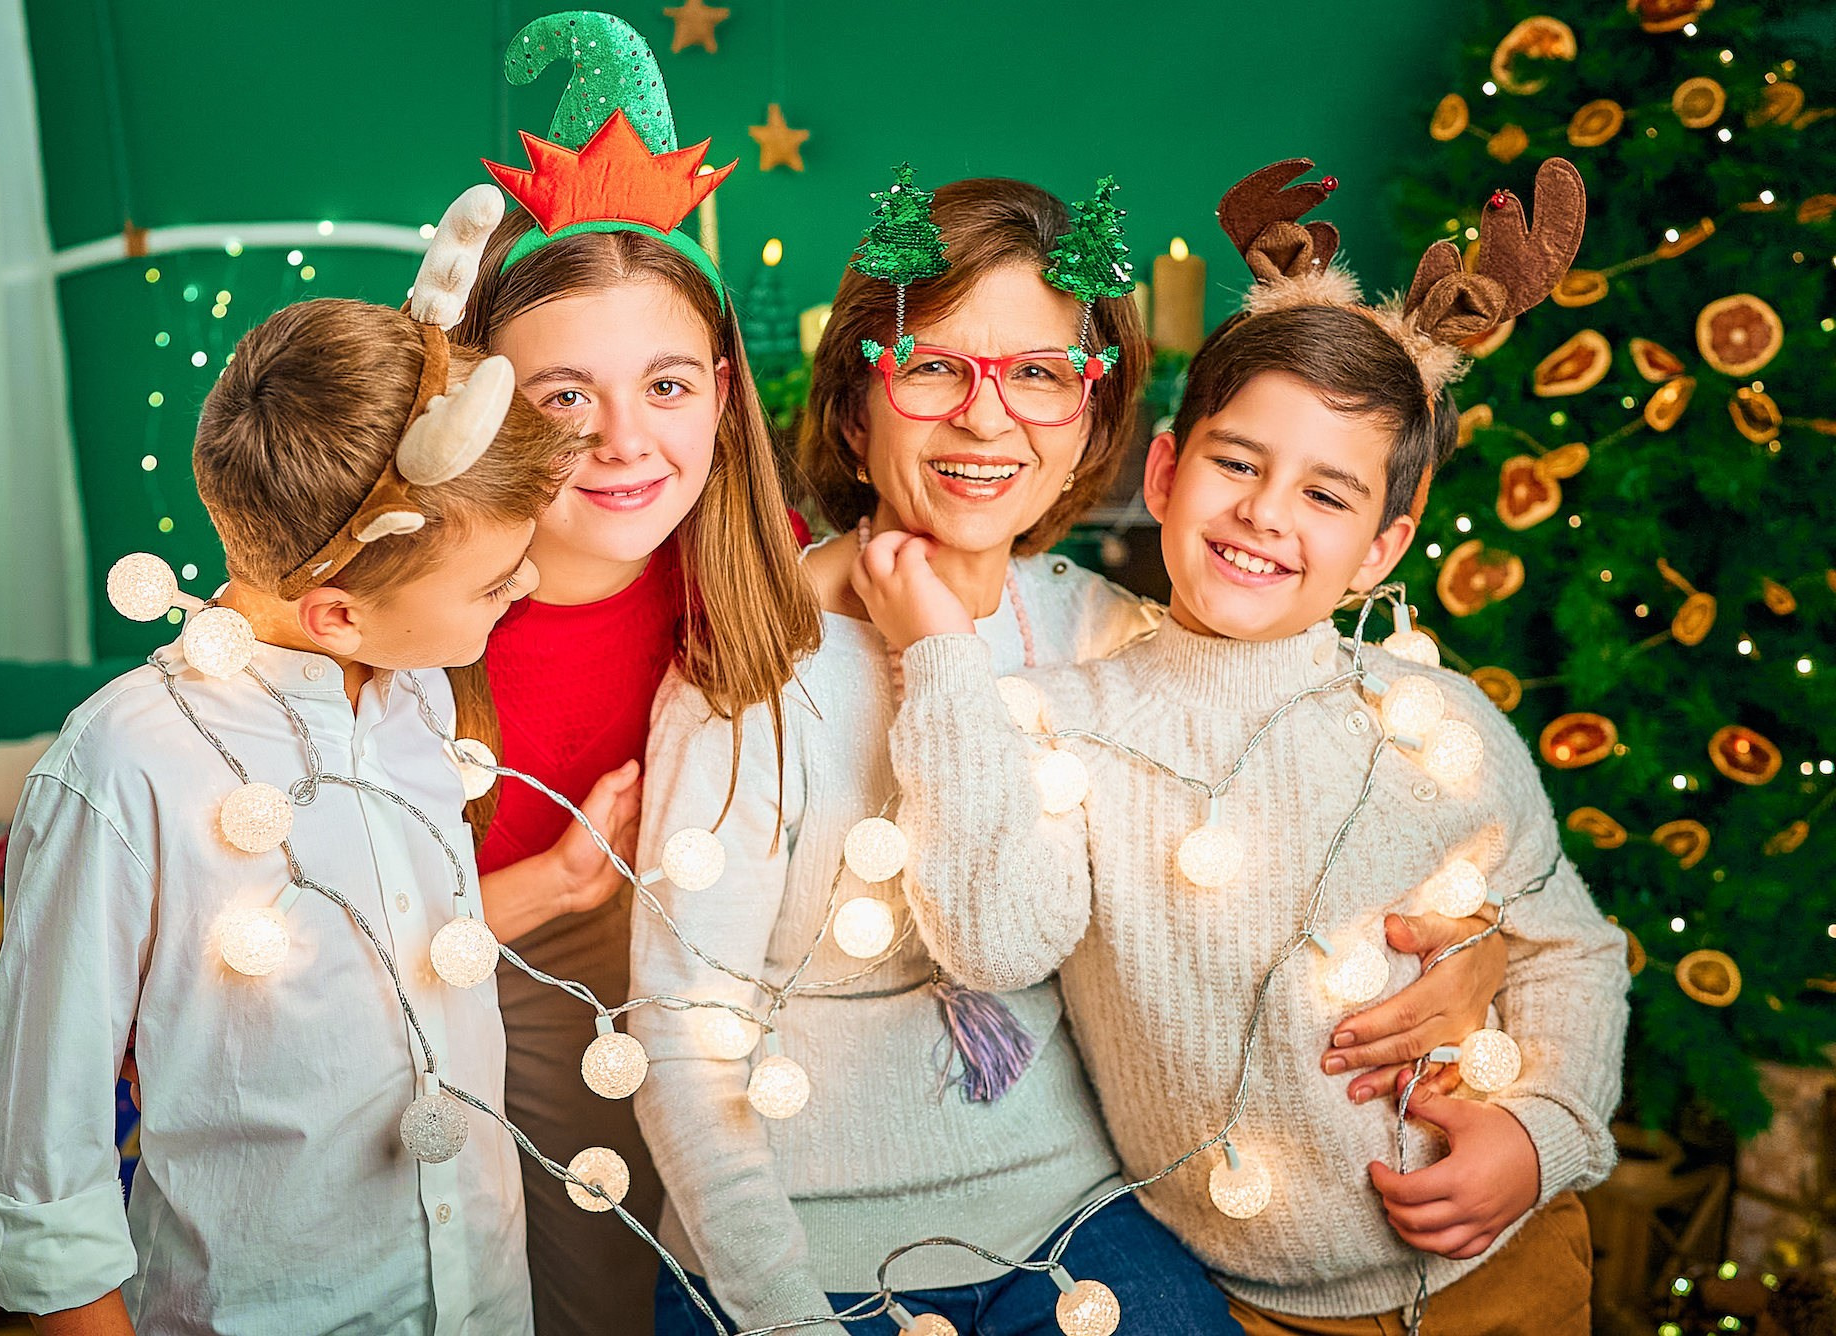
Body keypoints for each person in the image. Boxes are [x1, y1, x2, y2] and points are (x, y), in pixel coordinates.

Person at [633, 169, 1504, 1336]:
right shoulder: (749, 670)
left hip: (1075, 1219)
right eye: (932, 365)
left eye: (1040, 375)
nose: (986, 419)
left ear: (1096, 421)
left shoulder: (1114, 638)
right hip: (798, 1247)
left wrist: (1470, 962)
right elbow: (683, 1050)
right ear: (854, 407)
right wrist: (786, 1313)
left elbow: (1319, 845)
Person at [866, 159, 1626, 1334]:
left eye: (1328, 496)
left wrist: (1538, 1136)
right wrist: (940, 662)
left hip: (1501, 1275)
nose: (1267, 512)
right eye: (1236, 463)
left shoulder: (1432, 726)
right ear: (1164, 472)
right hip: (1239, 1297)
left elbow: (1566, 948)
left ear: (1382, 546)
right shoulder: (1053, 718)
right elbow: (988, 933)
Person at [0, 200, 578, 1335]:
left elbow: (374, 968)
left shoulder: (417, 702)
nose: (526, 588)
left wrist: (550, 887)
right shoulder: (124, 768)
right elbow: (40, 1174)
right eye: (496, 581)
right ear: (339, 611)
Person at [442, 13, 820, 1334]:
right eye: (562, 399)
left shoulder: (759, 567)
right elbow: (330, 933)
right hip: (497, 953)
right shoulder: (420, 621)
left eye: (664, 385)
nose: (622, 441)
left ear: (720, 392)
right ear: (487, 403)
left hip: (717, 953)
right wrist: (550, 884)